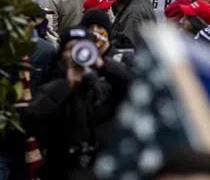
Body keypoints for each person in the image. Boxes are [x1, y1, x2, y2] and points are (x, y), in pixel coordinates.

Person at [24, 28, 132, 177]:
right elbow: (30, 120)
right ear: (62, 56)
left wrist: (103, 65)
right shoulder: (53, 89)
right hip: (61, 171)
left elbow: (131, 85)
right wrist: (67, 85)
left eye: (82, 47)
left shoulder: (103, 89)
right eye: (70, 49)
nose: (76, 54)